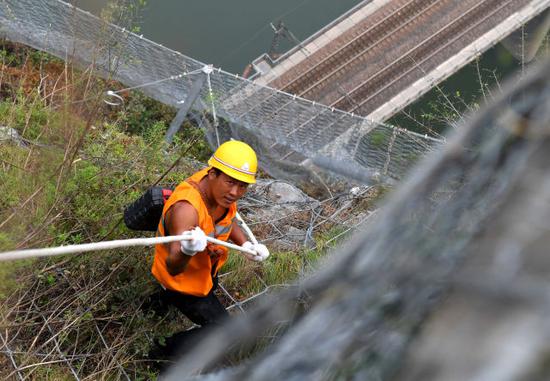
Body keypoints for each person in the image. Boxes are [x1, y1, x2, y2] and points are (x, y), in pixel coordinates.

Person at [149, 140, 269, 363]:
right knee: (223, 331)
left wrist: (245, 245)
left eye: (243, 186)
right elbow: (173, 267)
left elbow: (227, 219)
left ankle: (152, 307)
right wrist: (188, 249)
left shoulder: (219, 191)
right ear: (212, 173)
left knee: (172, 298)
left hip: (203, 273)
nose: (235, 192)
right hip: (182, 283)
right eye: (231, 183)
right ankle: (162, 353)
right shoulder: (186, 209)